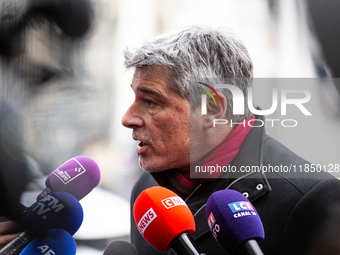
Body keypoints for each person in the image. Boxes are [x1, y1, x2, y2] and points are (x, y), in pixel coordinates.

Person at [121, 25, 340, 255]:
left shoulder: (313, 202)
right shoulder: (147, 192)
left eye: (151, 102)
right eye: (135, 97)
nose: (128, 118)